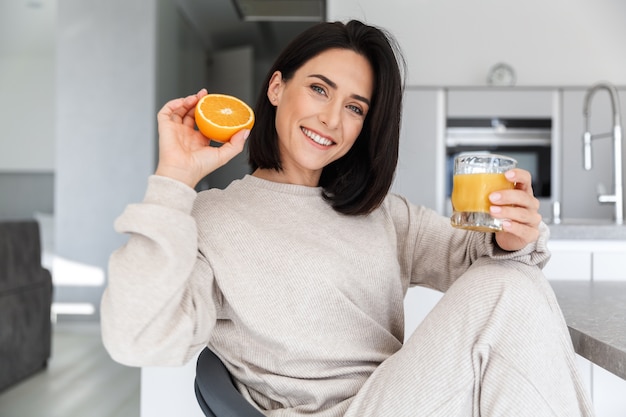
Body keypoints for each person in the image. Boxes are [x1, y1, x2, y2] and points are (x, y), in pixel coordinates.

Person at [101, 20, 594, 417]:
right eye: (319, 89)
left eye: (354, 107)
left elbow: (478, 258)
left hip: (397, 401)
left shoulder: (380, 215)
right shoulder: (210, 219)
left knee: (512, 281)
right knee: (511, 288)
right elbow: (136, 337)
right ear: (277, 86)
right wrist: (174, 179)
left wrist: (512, 235)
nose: (332, 120)